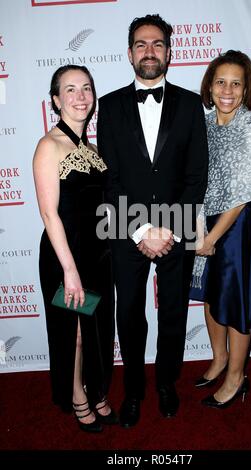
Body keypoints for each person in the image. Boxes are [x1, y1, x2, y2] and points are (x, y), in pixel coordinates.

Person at [97, 14, 208, 427]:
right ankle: (133, 389)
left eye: (157, 44)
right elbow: (109, 177)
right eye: (141, 44)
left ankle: (166, 383)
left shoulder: (189, 103)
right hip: (127, 231)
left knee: (174, 313)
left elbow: (197, 174)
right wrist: (143, 230)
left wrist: (171, 230)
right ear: (129, 53)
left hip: (176, 230)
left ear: (169, 52)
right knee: (129, 312)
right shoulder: (107, 107)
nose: (149, 51)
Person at [33, 65, 117, 432]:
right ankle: (77, 397)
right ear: (56, 100)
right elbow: (50, 215)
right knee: (75, 331)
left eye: (86, 88)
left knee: (96, 328)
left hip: (97, 256)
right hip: (65, 256)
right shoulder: (48, 146)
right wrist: (69, 270)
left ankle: (95, 387)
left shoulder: (93, 150)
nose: (81, 96)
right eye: (70, 89)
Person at [190, 50, 251, 408]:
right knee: (210, 294)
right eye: (220, 81)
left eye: (236, 83)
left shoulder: (250, 128)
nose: (227, 89)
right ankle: (219, 359)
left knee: (236, 301)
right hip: (206, 220)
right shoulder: (205, 124)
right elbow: (196, 179)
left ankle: (237, 376)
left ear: (246, 88)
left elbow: (241, 197)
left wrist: (211, 237)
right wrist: (197, 227)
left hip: (235, 227)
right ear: (209, 85)